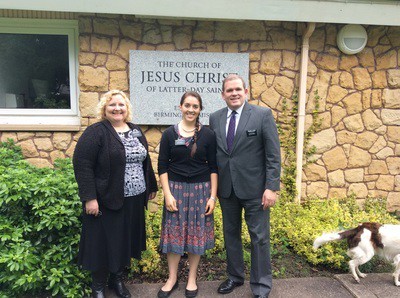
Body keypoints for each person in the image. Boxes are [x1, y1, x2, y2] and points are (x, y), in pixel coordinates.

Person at [73, 90, 158, 298]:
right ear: (104, 108)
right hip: (106, 199)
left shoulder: (135, 130)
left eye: (121, 105)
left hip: (134, 199)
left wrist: (151, 186)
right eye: (112, 105)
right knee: (104, 242)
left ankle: (117, 279)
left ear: (127, 108)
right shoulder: (96, 132)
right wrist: (90, 198)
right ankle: (99, 286)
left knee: (123, 240)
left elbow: (144, 159)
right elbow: (82, 165)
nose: (117, 108)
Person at [209, 74, 281, 298]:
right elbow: (217, 155)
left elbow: (273, 154)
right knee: (231, 233)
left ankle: (260, 286)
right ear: (223, 95)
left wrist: (272, 187)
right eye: (229, 90)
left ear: (246, 91)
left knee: (259, 237)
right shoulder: (215, 118)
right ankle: (234, 276)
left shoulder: (262, 115)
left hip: (256, 190)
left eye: (238, 89)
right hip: (227, 189)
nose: (234, 93)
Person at [157, 91, 218, 298]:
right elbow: (162, 166)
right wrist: (167, 194)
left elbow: (214, 168)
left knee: (195, 236)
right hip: (176, 190)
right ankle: (172, 278)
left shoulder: (208, 135)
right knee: (174, 234)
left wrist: (212, 197)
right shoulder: (169, 134)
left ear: (200, 109)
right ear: (180, 107)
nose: (191, 109)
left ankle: (192, 278)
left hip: (201, 191)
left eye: (195, 106)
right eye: (187, 105)